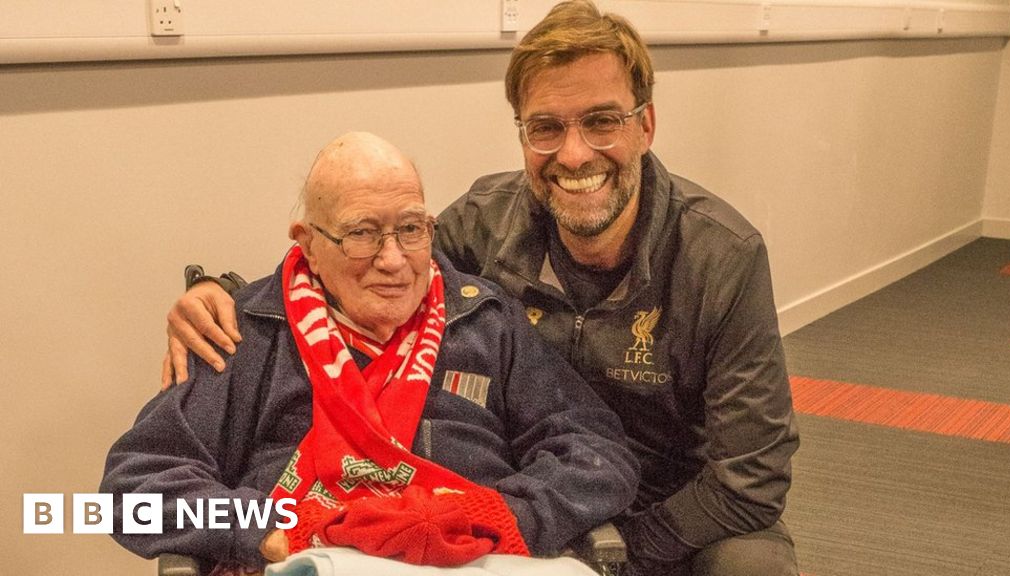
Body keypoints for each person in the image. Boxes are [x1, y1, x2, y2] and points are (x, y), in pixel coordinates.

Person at [161, 2, 801, 574]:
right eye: (546, 128)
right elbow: (132, 495)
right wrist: (228, 294)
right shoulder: (260, 332)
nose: (574, 155)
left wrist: (564, 539)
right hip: (360, 540)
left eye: (602, 121)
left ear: (645, 126)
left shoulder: (718, 258)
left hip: (662, 505)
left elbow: (747, 479)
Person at [103, 131, 639, 574]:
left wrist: (499, 514)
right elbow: (131, 493)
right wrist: (268, 529)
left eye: (410, 229)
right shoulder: (243, 331)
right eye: (362, 233)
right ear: (308, 243)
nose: (393, 259)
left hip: (472, 558)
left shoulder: (485, 320)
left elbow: (598, 453)